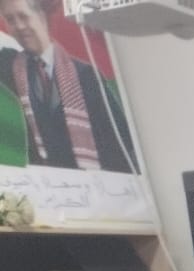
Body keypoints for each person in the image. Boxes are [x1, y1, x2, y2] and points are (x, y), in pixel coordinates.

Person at [0, 0, 137, 173]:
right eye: (10, 20)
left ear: (41, 15)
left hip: (95, 178)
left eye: (23, 16)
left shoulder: (86, 75)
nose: (19, 26)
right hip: (46, 181)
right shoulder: (13, 67)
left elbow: (122, 141)